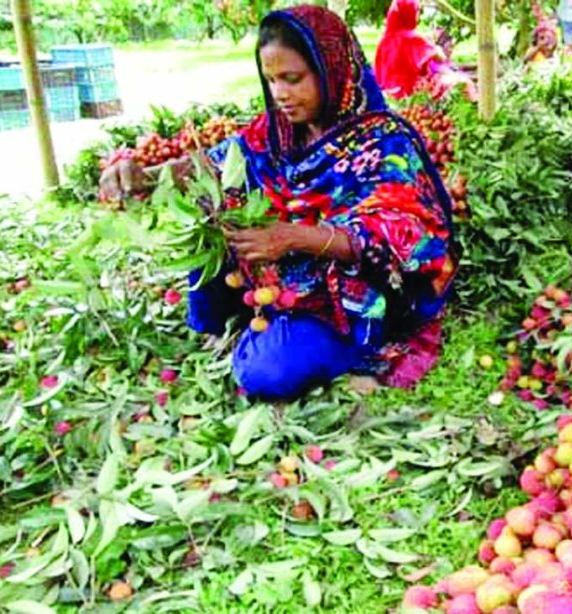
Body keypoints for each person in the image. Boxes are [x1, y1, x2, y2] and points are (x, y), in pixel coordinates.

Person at [99, 6, 458, 400]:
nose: (280, 95)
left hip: (356, 293)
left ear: (331, 70)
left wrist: (294, 237)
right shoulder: (276, 132)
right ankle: (253, 319)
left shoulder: (385, 144)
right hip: (282, 273)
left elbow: (401, 240)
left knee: (267, 373)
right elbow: (219, 163)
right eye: (271, 80)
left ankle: (342, 343)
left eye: (293, 79)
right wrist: (148, 175)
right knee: (212, 206)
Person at [374, 0, 475, 100]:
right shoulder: (412, 37)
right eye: (417, 11)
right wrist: (437, 47)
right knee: (462, 81)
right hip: (409, 92)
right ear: (409, 13)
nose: (418, 15)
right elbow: (440, 58)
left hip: (387, 91)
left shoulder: (383, 41)